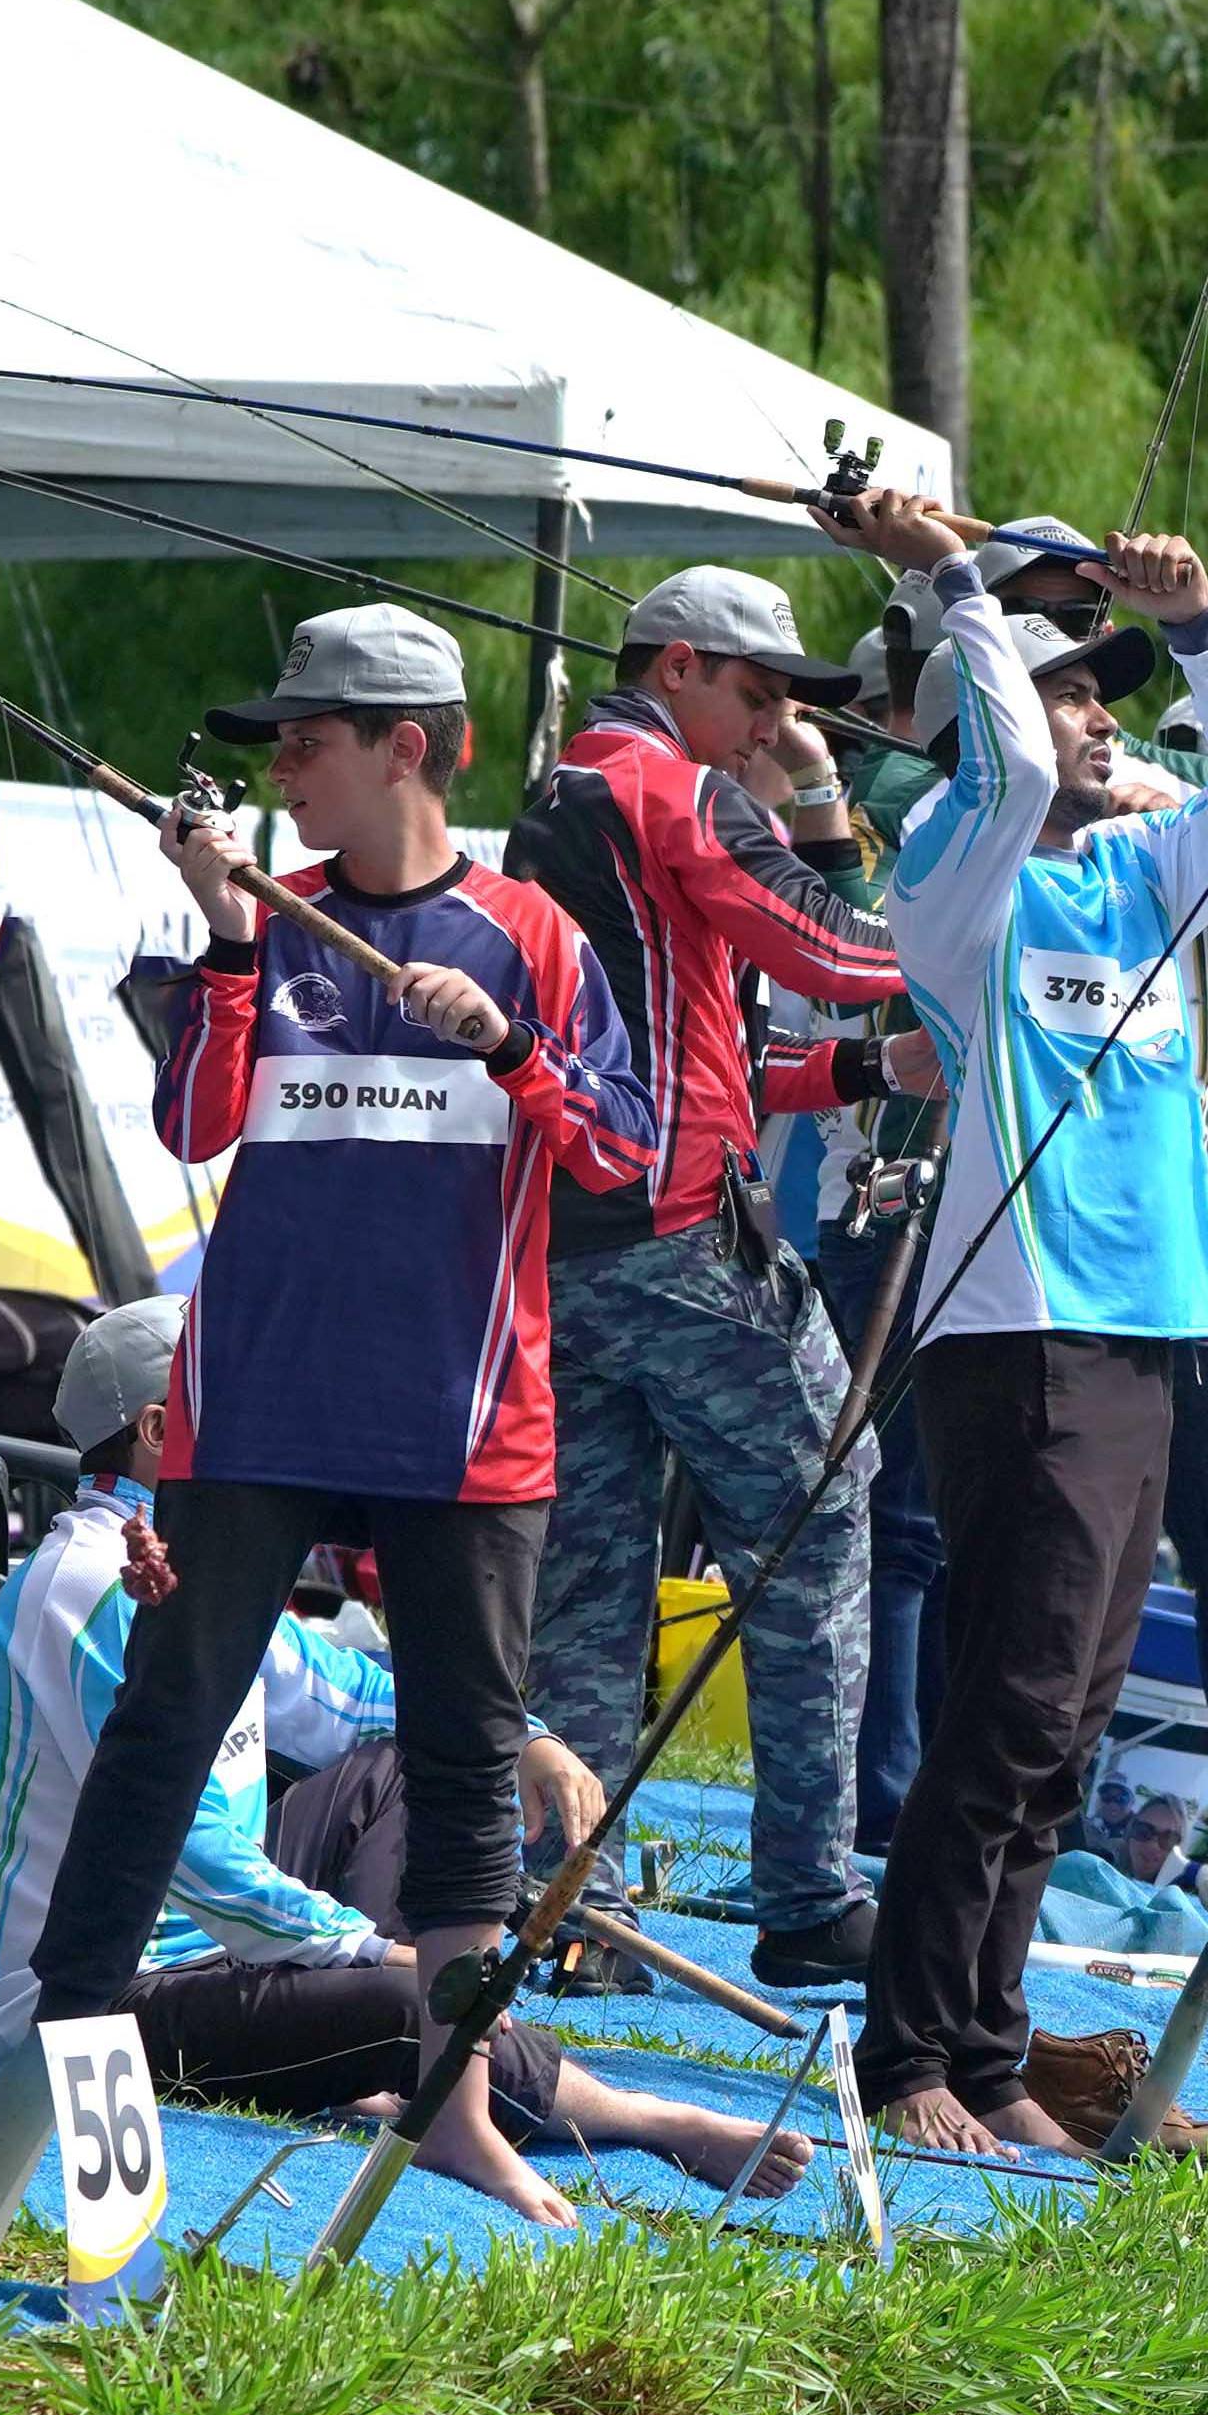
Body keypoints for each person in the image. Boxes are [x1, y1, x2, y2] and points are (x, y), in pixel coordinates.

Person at [29, 609, 657, 2177]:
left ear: (411, 747)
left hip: (463, 1430)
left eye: (308, 739)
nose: (282, 770)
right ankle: (72, 2082)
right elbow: (192, 1122)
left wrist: (513, 1048)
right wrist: (229, 939)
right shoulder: (275, 917)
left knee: (463, 1781)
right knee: (163, 1730)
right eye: (279, 743)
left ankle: (454, 2121)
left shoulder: (534, 937)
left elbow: (627, 1155)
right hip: (257, 1409)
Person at [804, 494, 1208, 2156]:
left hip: (1146, 1331)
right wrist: (952, 581)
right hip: (1018, 1330)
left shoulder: (1143, 875)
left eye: (1108, 688)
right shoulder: (957, 867)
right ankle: (913, 2053)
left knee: (1066, 1730)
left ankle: (997, 2049)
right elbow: (1007, 763)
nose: (1100, 713)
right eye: (1072, 687)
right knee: (1008, 1711)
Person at [0, 1299, 799, 2218]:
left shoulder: (197, 1555)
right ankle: (647, 2117)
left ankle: (369, 2035)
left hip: (208, 1945)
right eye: (238, 1400)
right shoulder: (99, 1584)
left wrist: (526, 1738)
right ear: (162, 1432)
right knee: (420, 2007)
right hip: (95, 1996)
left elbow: (355, 1697)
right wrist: (378, 1952)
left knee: (415, 1764)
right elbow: (182, 1855)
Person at [504, 563, 909, 1996]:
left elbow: (702, 1039)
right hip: (683, 1253)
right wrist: (883, 852)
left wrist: (857, 1071)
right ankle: (807, 1894)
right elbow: (839, 949)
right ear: (676, 669)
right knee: (822, 1518)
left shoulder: (560, 796)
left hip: (566, 1253)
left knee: (592, 1595)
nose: (776, 719)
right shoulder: (672, 790)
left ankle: (573, 1911)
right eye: (759, 691)